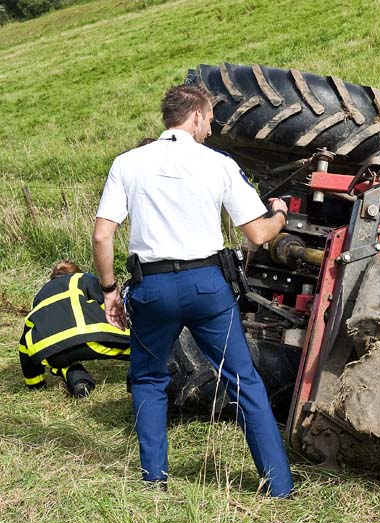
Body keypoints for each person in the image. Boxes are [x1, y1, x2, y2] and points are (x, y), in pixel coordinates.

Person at [92, 84, 293, 496]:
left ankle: (154, 482)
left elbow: (101, 237)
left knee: (148, 379)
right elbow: (257, 234)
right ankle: (279, 485)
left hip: (152, 288)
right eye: (209, 121)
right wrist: (279, 215)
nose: (210, 129)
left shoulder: (127, 163)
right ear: (197, 116)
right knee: (244, 381)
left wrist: (110, 290)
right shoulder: (218, 163)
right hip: (207, 288)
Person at [18, 260, 130, 398]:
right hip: (87, 337)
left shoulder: (40, 296)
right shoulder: (83, 278)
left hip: (51, 352)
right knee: (143, 350)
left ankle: (79, 382)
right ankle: (151, 374)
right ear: (77, 272)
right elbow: (109, 306)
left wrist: (35, 384)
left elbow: (24, 346)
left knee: (62, 359)